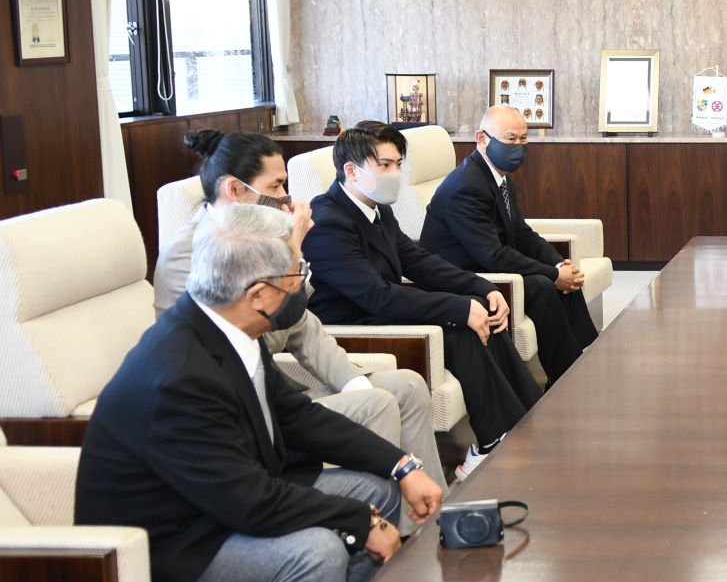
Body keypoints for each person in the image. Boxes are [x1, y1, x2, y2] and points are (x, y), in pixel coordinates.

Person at [76, 205, 444, 582]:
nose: (303, 285)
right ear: (258, 294)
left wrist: (402, 465)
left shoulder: (228, 329)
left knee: (376, 490)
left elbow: (298, 417)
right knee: (315, 555)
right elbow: (249, 503)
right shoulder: (180, 376)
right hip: (175, 546)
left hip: (220, 504)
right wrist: (358, 521)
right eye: (296, 274)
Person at [156, 130, 448, 490]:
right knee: (377, 404)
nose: (286, 197)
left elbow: (304, 328)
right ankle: (389, 512)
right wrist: (292, 251)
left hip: (280, 391)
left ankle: (435, 507)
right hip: (242, 407)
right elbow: (249, 332)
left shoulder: (262, 235)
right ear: (235, 190)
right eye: (276, 186)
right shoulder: (192, 251)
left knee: (408, 386)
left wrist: (353, 382)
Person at [302, 126, 541, 479]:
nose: (395, 173)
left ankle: (530, 417)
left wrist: (482, 287)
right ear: (351, 170)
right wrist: (459, 309)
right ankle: (492, 441)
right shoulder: (327, 221)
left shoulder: (376, 208)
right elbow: (375, 295)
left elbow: (417, 261)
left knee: (481, 307)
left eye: (398, 164)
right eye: (385, 165)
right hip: (354, 325)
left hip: (381, 310)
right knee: (459, 327)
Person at [419, 106, 599, 385]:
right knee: (543, 286)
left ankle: (580, 364)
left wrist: (558, 264)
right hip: (464, 276)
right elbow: (492, 255)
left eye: (523, 139)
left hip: (488, 265)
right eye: (510, 139)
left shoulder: (499, 178)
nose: (518, 147)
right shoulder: (466, 187)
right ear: (482, 139)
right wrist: (553, 275)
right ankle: (566, 379)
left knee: (565, 281)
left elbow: (522, 234)